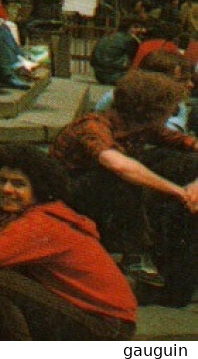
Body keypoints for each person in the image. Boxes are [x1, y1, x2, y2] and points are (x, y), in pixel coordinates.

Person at [0, 144, 137, 340]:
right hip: (90, 314)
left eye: (18, 184)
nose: (6, 189)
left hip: (107, 328)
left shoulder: (39, 224)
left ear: (39, 188)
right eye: (2, 181)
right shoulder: (36, 214)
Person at [49, 69, 198, 302]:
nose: (174, 112)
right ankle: (136, 254)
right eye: (171, 108)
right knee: (122, 174)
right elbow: (117, 165)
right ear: (151, 111)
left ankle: (174, 274)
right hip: (70, 198)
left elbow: (188, 144)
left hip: (110, 196)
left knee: (183, 162)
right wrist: (179, 191)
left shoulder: (143, 128)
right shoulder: (93, 126)